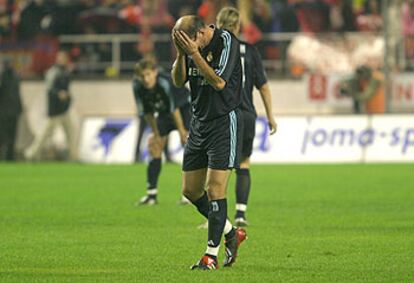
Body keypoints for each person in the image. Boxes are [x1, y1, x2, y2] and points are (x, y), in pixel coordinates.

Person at [171, 15, 247, 270]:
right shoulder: (189, 49)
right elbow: (178, 81)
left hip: (224, 122)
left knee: (215, 189)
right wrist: (183, 55)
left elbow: (218, 82)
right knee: (191, 191)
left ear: (201, 33)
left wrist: (194, 54)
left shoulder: (227, 42)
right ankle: (230, 232)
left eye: (190, 43)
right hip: (199, 123)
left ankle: (210, 256)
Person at [216, 7, 277, 227]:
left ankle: (216, 216)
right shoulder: (250, 51)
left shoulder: (214, 50)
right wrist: (270, 115)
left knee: (220, 166)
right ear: (238, 27)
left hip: (224, 115)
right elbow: (264, 87)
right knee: (244, 163)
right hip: (248, 114)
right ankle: (241, 213)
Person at [133, 58, 190, 205]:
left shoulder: (164, 82)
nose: (145, 79)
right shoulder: (137, 86)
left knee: (190, 148)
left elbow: (174, 108)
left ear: (155, 73)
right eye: (142, 76)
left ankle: (190, 194)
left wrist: (182, 130)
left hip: (185, 109)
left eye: (148, 75)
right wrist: (156, 133)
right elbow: (147, 112)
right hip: (165, 113)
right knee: (155, 145)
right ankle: (151, 195)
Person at [25, 50, 74, 161]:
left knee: (71, 133)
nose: (61, 59)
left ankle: (73, 156)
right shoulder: (53, 72)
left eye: (63, 57)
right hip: (56, 110)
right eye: (60, 57)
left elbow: (66, 89)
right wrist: (59, 94)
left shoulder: (66, 72)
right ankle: (31, 154)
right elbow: (49, 89)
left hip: (64, 109)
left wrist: (68, 97)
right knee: (45, 133)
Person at [0, 60, 22, 161]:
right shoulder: (15, 76)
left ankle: (8, 156)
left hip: (6, 110)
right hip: (10, 109)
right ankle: (9, 156)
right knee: (10, 135)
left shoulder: (5, 76)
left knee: (6, 135)